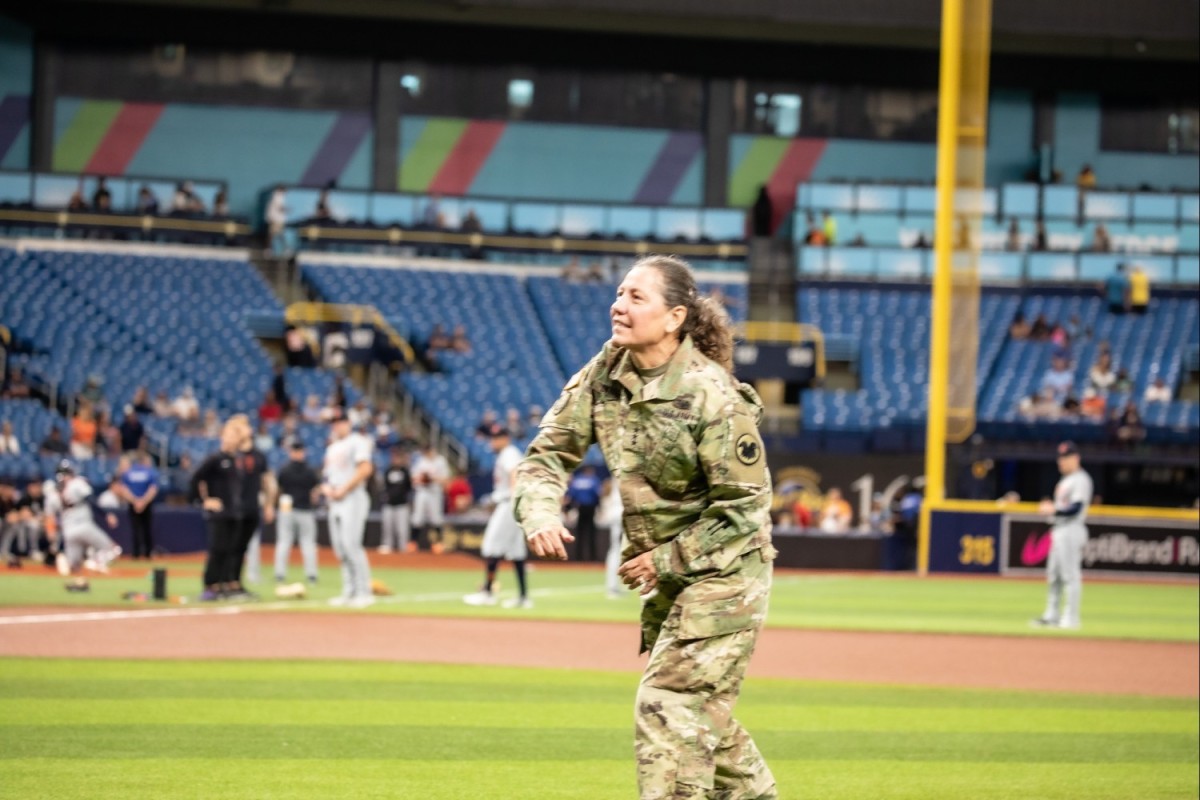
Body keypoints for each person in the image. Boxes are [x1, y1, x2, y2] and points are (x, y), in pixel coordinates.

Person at [513, 254, 778, 800]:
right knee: (707, 723)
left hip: (727, 576)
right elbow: (547, 455)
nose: (618, 305)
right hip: (672, 580)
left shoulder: (713, 395)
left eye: (636, 296)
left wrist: (661, 560)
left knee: (667, 706)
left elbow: (745, 508)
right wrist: (540, 511)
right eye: (618, 293)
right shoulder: (604, 372)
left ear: (675, 316)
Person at [190, 416, 273, 601]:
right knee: (218, 549)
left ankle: (225, 585)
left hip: (235, 512)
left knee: (230, 549)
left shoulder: (238, 460)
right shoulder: (215, 459)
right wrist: (204, 500)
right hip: (220, 514)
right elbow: (196, 479)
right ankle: (211, 586)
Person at [464, 425, 533, 608]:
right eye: (492, 438)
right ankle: (523, 597)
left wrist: (514, 496)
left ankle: (487, 592)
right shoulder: (508, 453)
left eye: (496, 438)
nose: (493, 442)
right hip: (513, 504)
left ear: (505, 438)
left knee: (491, 546)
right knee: (516, 551)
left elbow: (515, 473)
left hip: (509, 504)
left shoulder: (509, 453)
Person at [1032, 442, 1093, 630]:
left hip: (1071, 529)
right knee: (1054, 575)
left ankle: (1071, 619)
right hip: (1059, 530)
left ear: (1076, 458)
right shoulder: (1065, 480)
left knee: (1070, 576)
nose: (1061, 461)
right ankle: (1052, 615)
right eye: (1060, 458)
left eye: (1065, 457)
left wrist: (1054, 509)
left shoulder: (1081, 479)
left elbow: (1076, 508)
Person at [320, 417, 375, 607]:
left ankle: (364, 592)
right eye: (334, 423)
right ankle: (349, 591)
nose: (337, 426)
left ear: (348, 423)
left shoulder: (357, 441)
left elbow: (365, 469)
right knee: (340, 548)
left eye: (340, 422)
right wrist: (326, 488)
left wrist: (345, 488)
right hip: (335, 498)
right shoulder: (332, 447)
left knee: (351, 545)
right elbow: (326, 476)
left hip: (353, 497)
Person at [46, 460, 122, 592]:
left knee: (74, 567)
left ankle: (67, 563)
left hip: (68, 532)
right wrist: (106, 515)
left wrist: (52, 537)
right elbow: (90, 499)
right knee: (114, 550)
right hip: (84, 526)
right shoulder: (77, 483)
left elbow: (50, 518)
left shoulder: (52, 492)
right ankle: (93, 562)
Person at [274, 438, 322, 585]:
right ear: (303, 452)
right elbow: (316, 490)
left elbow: (278, 489)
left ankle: (280, 575)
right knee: (308, 543)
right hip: (305, 509)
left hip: (287, 509)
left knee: (284, 542)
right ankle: (311, 575)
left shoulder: (284, 469)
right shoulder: (310, 470)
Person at [119, 450, 160, 560]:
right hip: (146, 504)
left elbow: (124, 489)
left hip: (134, 504)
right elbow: (153, 489)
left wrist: (135, 501)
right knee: (147, 528)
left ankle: (136, 554)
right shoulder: (149, 472)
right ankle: (148, 553)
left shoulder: (128, 472)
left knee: (135, 529)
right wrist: (143, 501)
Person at [378, 447, 413, 554]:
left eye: (397, 458)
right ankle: (387, 545)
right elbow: (384, 486)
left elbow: (409, 487)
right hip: (389, 504)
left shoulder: (405, 472)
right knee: (387, 527)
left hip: (402, 504)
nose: (395, 460)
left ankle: (403, 546)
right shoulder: (388, 471)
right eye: (394, 458)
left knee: (402, 528)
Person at [566, 464, 603, 562]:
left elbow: (572, 496)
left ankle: (579, 557)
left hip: (580, 508)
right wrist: (600, 508)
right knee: (591, 533)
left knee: (580, 533)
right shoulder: (594, 480)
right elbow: (597, 495)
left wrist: (568, 509)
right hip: (591, 508)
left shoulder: (577, 480)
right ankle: (592, 557)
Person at [599, 477, 625, 599]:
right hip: (622, 516)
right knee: (616, 551)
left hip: (617, 516)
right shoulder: (623, 477)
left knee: (616, 551)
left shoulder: (611, 481)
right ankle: (612, 588)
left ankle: (614, 586)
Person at [266, 185, 288, 256]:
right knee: (273, 235)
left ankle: (283, 249)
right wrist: (288, 209)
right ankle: (269, 249)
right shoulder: (278, 197)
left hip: (276, 219)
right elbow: (280, 208)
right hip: (276, 219)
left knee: (279, 235)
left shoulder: (275, 197)